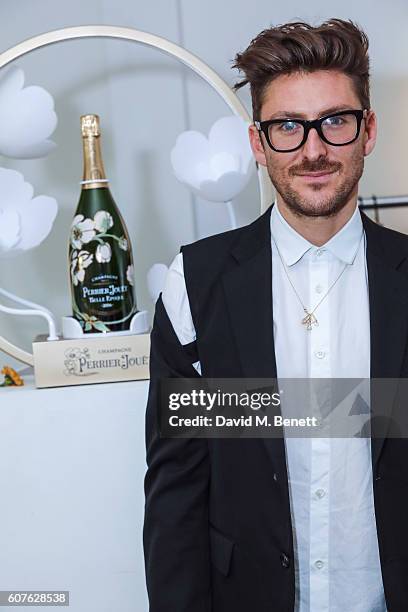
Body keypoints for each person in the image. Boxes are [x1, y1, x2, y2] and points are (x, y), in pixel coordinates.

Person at [143, 18, 408, 612]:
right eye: (287, 126)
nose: (313, 149)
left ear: (368, 132)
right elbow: (176, 493)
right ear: (258, 143)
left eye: (335, 121)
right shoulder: (197, 282)